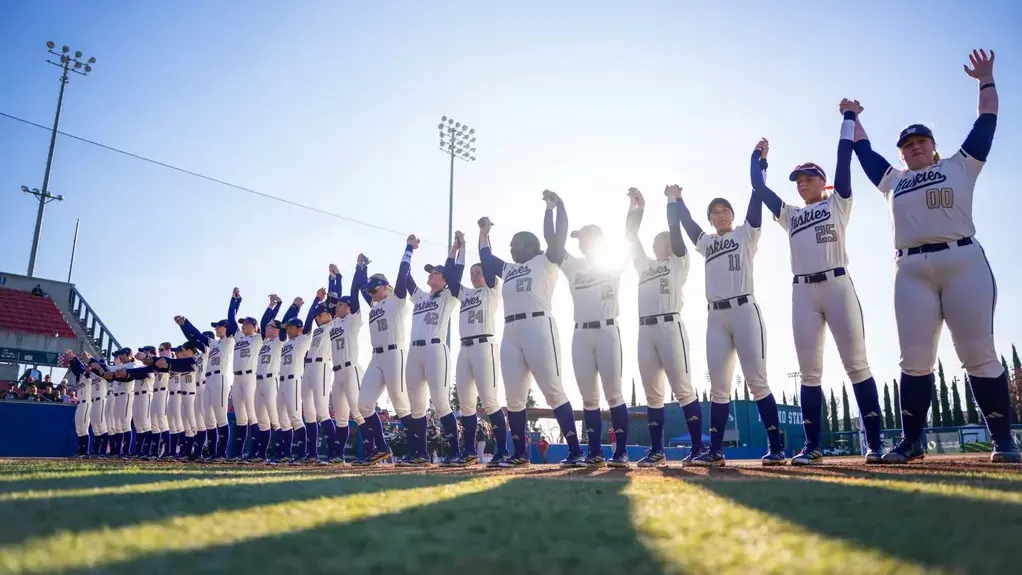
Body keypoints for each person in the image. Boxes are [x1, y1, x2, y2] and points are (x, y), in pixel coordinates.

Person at [850, 49, 1018, 464]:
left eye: (921, 140)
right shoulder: (893, 180)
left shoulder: (961, 165)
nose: (914, 147)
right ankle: (911, 443)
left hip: (963, 262)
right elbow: (865, 152)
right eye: (908, 144)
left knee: (978, 354)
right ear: (903, 153)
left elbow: (986, 121)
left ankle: (1004, 441)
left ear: (933, 145)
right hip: (910, 270)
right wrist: (852, 115)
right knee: (915, 360)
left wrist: (986, 79)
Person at [750, 113, 885, 465]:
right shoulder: (791, 215)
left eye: (807, 178)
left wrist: (848, 119)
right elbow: (760, 189)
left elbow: (844, 160)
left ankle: (874, 443)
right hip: (803, 294)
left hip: (838, 286)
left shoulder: (836, 203)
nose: (800, 184)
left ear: (821, 181)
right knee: (809, 372)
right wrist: (759, 160)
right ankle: (812, 447)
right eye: (797, 180)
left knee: (857, 365)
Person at [674, 144, 786, 467]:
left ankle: (776, 447)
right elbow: (688, 223)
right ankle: (716, 451)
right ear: (710, 219)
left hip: (745, 311)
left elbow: (757, 192)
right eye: (714, 213)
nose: (719, 215)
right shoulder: (707, 242)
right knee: (719, 389)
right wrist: (678, 200)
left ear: (733, 216)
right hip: (715, 318)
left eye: (724, 211)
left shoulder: (745, 234)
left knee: (757, 381)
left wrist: (759, 161)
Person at [478, 192, 585, 467]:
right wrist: (484, 232)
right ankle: (519, 455)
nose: (512, 248)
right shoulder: (510, 268)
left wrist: (554, 207)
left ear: (530, 245)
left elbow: (557, 235)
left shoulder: (546, 259)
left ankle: (576, 452)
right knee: (513, 398)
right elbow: (487, 259)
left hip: (539, 326)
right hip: (510, 332)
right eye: (511, 244)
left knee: (552, 390)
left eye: (516, 244)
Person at [546, 191, 630, 467]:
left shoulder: (613, 262)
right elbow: (554, 242)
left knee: (614, 393)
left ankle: (621, 453)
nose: (581, 241)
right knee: (589, 397)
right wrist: (556, 207)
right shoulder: (574, 266)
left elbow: (630, 240)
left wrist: (634, 208)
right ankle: (594, 452)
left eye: (586, 236)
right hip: (580, 333)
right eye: (579, 238)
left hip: (607, 331)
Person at [626, 187, 702, 468]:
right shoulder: (644, 265)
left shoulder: (678, 262)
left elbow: (675, 229)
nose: (662, 244)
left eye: (666, 241)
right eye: (658, 242)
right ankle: (656, 450)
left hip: (671, 326)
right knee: (652, 394)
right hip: (644, 331)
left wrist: (672, 200)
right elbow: (630, 237)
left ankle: (698, 448)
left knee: (682, 389)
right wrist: (637, 207)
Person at [402, 235, 463, 466]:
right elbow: (405, 277)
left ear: (445, 279)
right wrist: (409, 249)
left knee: (440, 403)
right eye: (429, 272)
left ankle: (453, 452)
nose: (430, 275)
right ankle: (419, 454)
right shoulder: (419, 297)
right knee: (416, 407)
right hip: (414, 353)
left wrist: (455, 250)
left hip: (436, 350)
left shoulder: (448, 295)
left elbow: (454, 272)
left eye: (435, 273)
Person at [451, 229, 508, 467]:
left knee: (490, 401)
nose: (474, 275)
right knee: (466, 404)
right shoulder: (465, 294)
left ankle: (503, 450)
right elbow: (453, 278)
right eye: (472, 273)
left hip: (485, 346)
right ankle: (469, 452)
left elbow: (488, 260)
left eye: (478, 272)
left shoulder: (492, 290)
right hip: (464, 349)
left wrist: (484, 235)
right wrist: (459, 249)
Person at [353, 251, 414, 466]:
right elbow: (361, 287)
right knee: (364, 404)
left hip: (394, 353)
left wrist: (408, 250)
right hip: (376, 356)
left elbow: (402, 275)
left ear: (385, 287)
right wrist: (361, 266)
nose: (370, 293)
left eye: (374, 289)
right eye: (370, 290)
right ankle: (381, 448)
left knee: (400, 404)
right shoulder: (375, 305)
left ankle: (416, 452)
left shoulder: (396, 300)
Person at [324, 257, 369, 464]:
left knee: (359, 414)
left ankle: (371, 450)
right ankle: (337, 455)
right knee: (340, 418)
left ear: (348, 308)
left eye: (341, 305)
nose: (336, 307)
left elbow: (352, 295)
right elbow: (330, 300)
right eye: (338, 305)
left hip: (351, 370)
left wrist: (359, 269)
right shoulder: (335, 323)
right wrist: (333, 277)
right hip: (337, 373)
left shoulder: (353, 320)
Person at [228, 289, 281, 462]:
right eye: (243, 324)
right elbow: (231, 320)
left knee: (255, 416)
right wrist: (235, 301)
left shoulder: (258, 338)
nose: (243, 326)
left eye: (247, 324)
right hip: (236, 378)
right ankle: (237, 454)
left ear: (256, 327)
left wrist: (272, 306)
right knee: (240, 417)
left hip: (252, 378)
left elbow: (267, 321)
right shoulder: (239, 337)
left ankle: (259, 453)